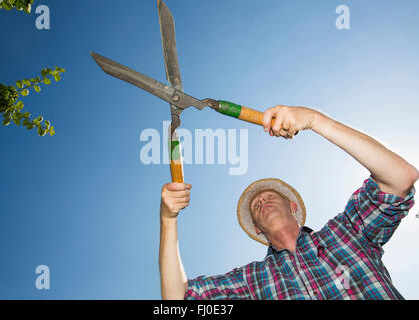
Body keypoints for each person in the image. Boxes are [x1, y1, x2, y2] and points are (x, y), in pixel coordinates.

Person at [158, 105, 418, 300]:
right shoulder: (252, 281)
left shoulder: (348, 232)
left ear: (293, 207)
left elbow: (400, 178)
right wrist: (168, 219)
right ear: (257, 228)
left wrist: (316, 120)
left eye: (269, 197)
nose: (261, 202)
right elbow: (177, 299)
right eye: (256, 207)